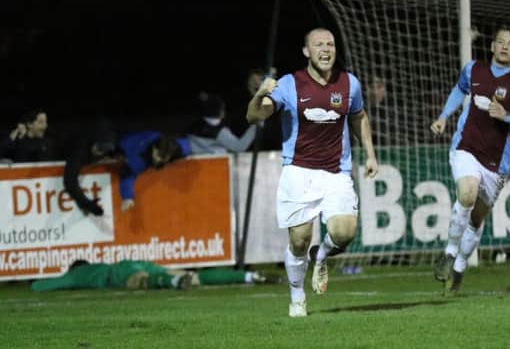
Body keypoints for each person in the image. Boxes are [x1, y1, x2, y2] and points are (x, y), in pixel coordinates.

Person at [246, 27, 379, 317]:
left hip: (336, 171)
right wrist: (259, 95)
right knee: (298, 241)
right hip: (299, 172)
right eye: (318, 44)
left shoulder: (349, 84)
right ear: (306, 51)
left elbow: (359, 117)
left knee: (344, 232)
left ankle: (322, 255)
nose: (325, 49)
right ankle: (297, 296)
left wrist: (370, 154)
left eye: (330, 44)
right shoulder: (290, 84)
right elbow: (255, 115)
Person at [430, 26, 510, 293]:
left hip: (497, 161)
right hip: (465, 147)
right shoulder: (473, 70)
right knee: (467, 194)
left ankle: (459, 267)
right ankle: (448, 253)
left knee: (477, 218)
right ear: (492, 46)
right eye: (501, 41)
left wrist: (507, 117)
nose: (505, 46)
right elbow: (459, 90)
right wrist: (444, 116)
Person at [31, 259, 276, 292]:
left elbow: (41, 287)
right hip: (138, 263)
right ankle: (248, 276)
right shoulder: (98, 265)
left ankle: (174, 282)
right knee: (196, 276)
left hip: (122, 271)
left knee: (139, 281)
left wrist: (36, 284)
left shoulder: (81, 273)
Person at [118, 131, 191, 212]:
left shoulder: (177, 149)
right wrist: (127, 197)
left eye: (164, 158)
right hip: (124, 142)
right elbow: (127, 174)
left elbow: (187, 145)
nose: (159, 160)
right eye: (158, 156)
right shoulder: (139, 160)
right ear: (154, 149)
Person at [62, 117, 119, 217]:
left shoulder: (111, 144)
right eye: (99, 147)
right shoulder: (80, 150)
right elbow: (69, 182)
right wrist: (86, 204)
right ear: (94, 142)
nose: (99, 152)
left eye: (103, 151)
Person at [187, 92, 257, 154]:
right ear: (220, 111)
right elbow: (240, 147)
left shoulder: (194, 126)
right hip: (215, 166)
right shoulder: (219, 132)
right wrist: (255, 126)